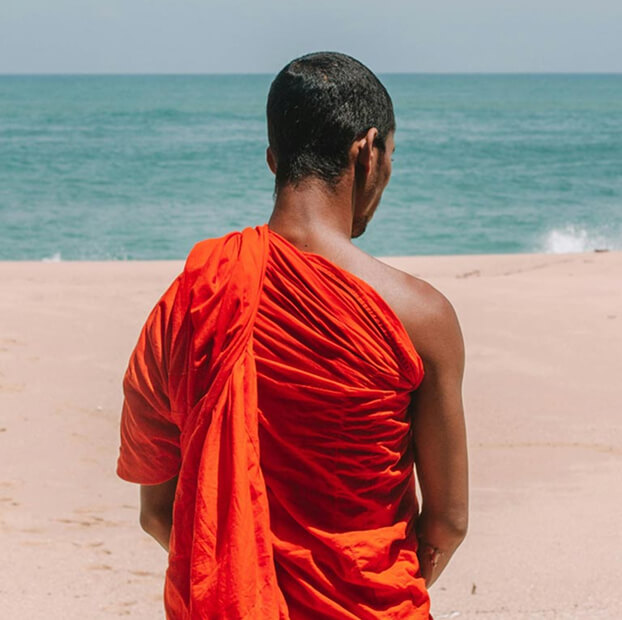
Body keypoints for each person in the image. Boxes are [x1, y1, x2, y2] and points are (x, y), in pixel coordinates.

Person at [117, 51, 468, 619]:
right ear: (368, 151)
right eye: (391, 157)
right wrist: (367, 588)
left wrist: (241, 577)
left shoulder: (191, 300)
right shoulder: (422, 316)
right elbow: (448, 522)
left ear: (272, 160)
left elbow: (157, 511)